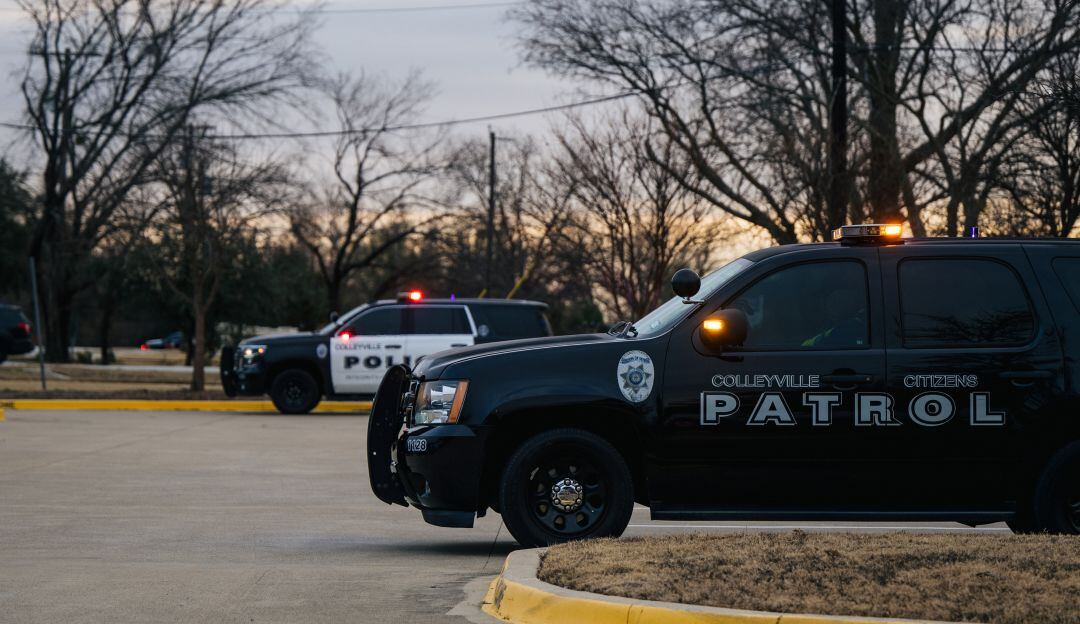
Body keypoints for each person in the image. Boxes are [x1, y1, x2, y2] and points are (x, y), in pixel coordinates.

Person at [801, 286, 866, 347]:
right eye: (816, 309)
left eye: (817, 297)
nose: (823, 304)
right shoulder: (838, 332)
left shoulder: (851, 326)